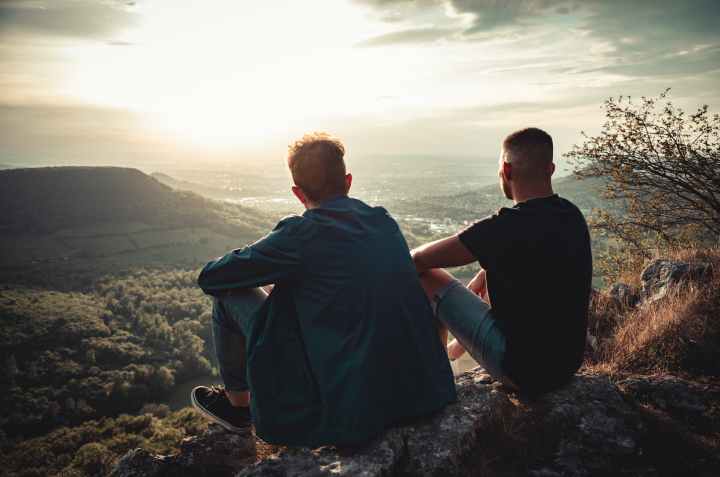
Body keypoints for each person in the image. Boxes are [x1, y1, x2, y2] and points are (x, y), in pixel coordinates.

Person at [191, 132, 456, 447]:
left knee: (227, 299)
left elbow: (212, 278)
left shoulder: (298, 235)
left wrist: (267, 266)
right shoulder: (383, 221)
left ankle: (237, 408)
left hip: (350, 406)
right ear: (347, 181)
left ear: (297, 192)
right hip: (423, 392)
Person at [411, 127, 591, 393]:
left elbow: (417, 260)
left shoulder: (505, 226)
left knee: (427, 277)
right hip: (564, 365)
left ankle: (436, 378)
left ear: (506, 171)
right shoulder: (572, 215)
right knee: (491, 275)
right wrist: (488, 271)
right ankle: (450, 354)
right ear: (551, 169)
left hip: (523, 371)